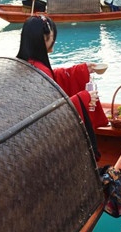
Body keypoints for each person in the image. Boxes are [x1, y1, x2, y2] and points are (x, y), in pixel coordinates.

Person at [16, 15, 107, 160]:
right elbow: (52, 116)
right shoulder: (39, 72)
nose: (54, 40)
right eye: (53, 37)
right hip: (42, 140)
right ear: (44, 39)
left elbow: (52, 79)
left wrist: (82, 69)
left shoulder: (26, 64)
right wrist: (85, 98)